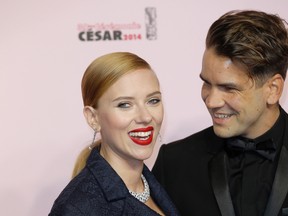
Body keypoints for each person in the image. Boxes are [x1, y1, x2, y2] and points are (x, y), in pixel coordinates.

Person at [152, 10, 288, 216]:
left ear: (273, 89)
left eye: (229, 88)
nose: (211, 101)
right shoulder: (174, 164)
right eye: (207, 83)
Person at [49, 52, 180, 216]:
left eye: (153, 100)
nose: (145, 117)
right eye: (125, 105)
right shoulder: (77, 208)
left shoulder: (157, 182)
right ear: (93, 118)